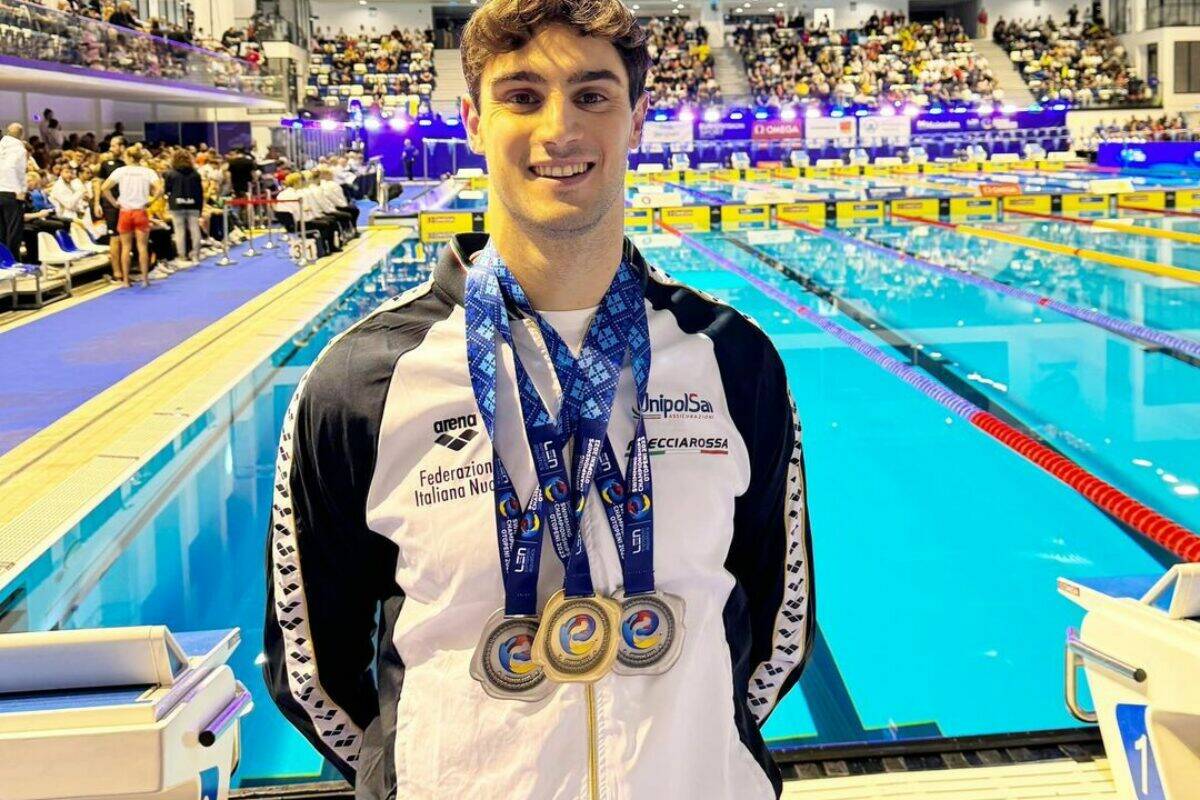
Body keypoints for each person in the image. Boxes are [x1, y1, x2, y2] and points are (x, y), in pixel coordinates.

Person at [263, 1, 814, 798]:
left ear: (636, 119)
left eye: (592, 95)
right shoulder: (363, 381)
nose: (559, 129)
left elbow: (780, 631)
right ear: (473, 121)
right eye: (522, 96)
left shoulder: (731, 359)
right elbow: (312, 669)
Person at [101, 145, 161, 287]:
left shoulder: (120, 171)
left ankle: (126, 280)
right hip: (140, 211)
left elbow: (104, 188)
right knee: (142, 247)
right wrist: (151, 201)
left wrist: (114, 203)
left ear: (128, 157)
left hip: (125, 212)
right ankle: (145, 279)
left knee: (126, 247)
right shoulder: (148, 172)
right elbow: (159, 189)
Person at [164, 149, 204, 265]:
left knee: (179, 231)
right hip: (193, 204)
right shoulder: (195, 174)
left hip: (177, 205)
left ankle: (182, 256)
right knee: (195, 229)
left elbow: (167, 190)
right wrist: (200, 208)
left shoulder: (170, 173)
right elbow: (200, 192)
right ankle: (196, 255)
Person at [95, 136, 125, 280]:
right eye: (111, 146)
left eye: (114, 146)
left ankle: (125, 270)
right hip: (111, 205)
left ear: (122, 147)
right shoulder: (106, 164)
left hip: (127, 204)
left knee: (126, 237)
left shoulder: (127, 164)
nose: (110, 149)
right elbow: (98, 184)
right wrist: (97, 203)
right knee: (115, 237)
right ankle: (116, 272)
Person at [0, 123, 26, 259]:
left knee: (1, 231)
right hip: (11, 192)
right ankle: (12, 261)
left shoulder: (1, 144)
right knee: (13, 231)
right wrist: (19, 190)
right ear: (22, 134)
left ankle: (2, 262)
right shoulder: (18, 147)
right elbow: (11, 167)